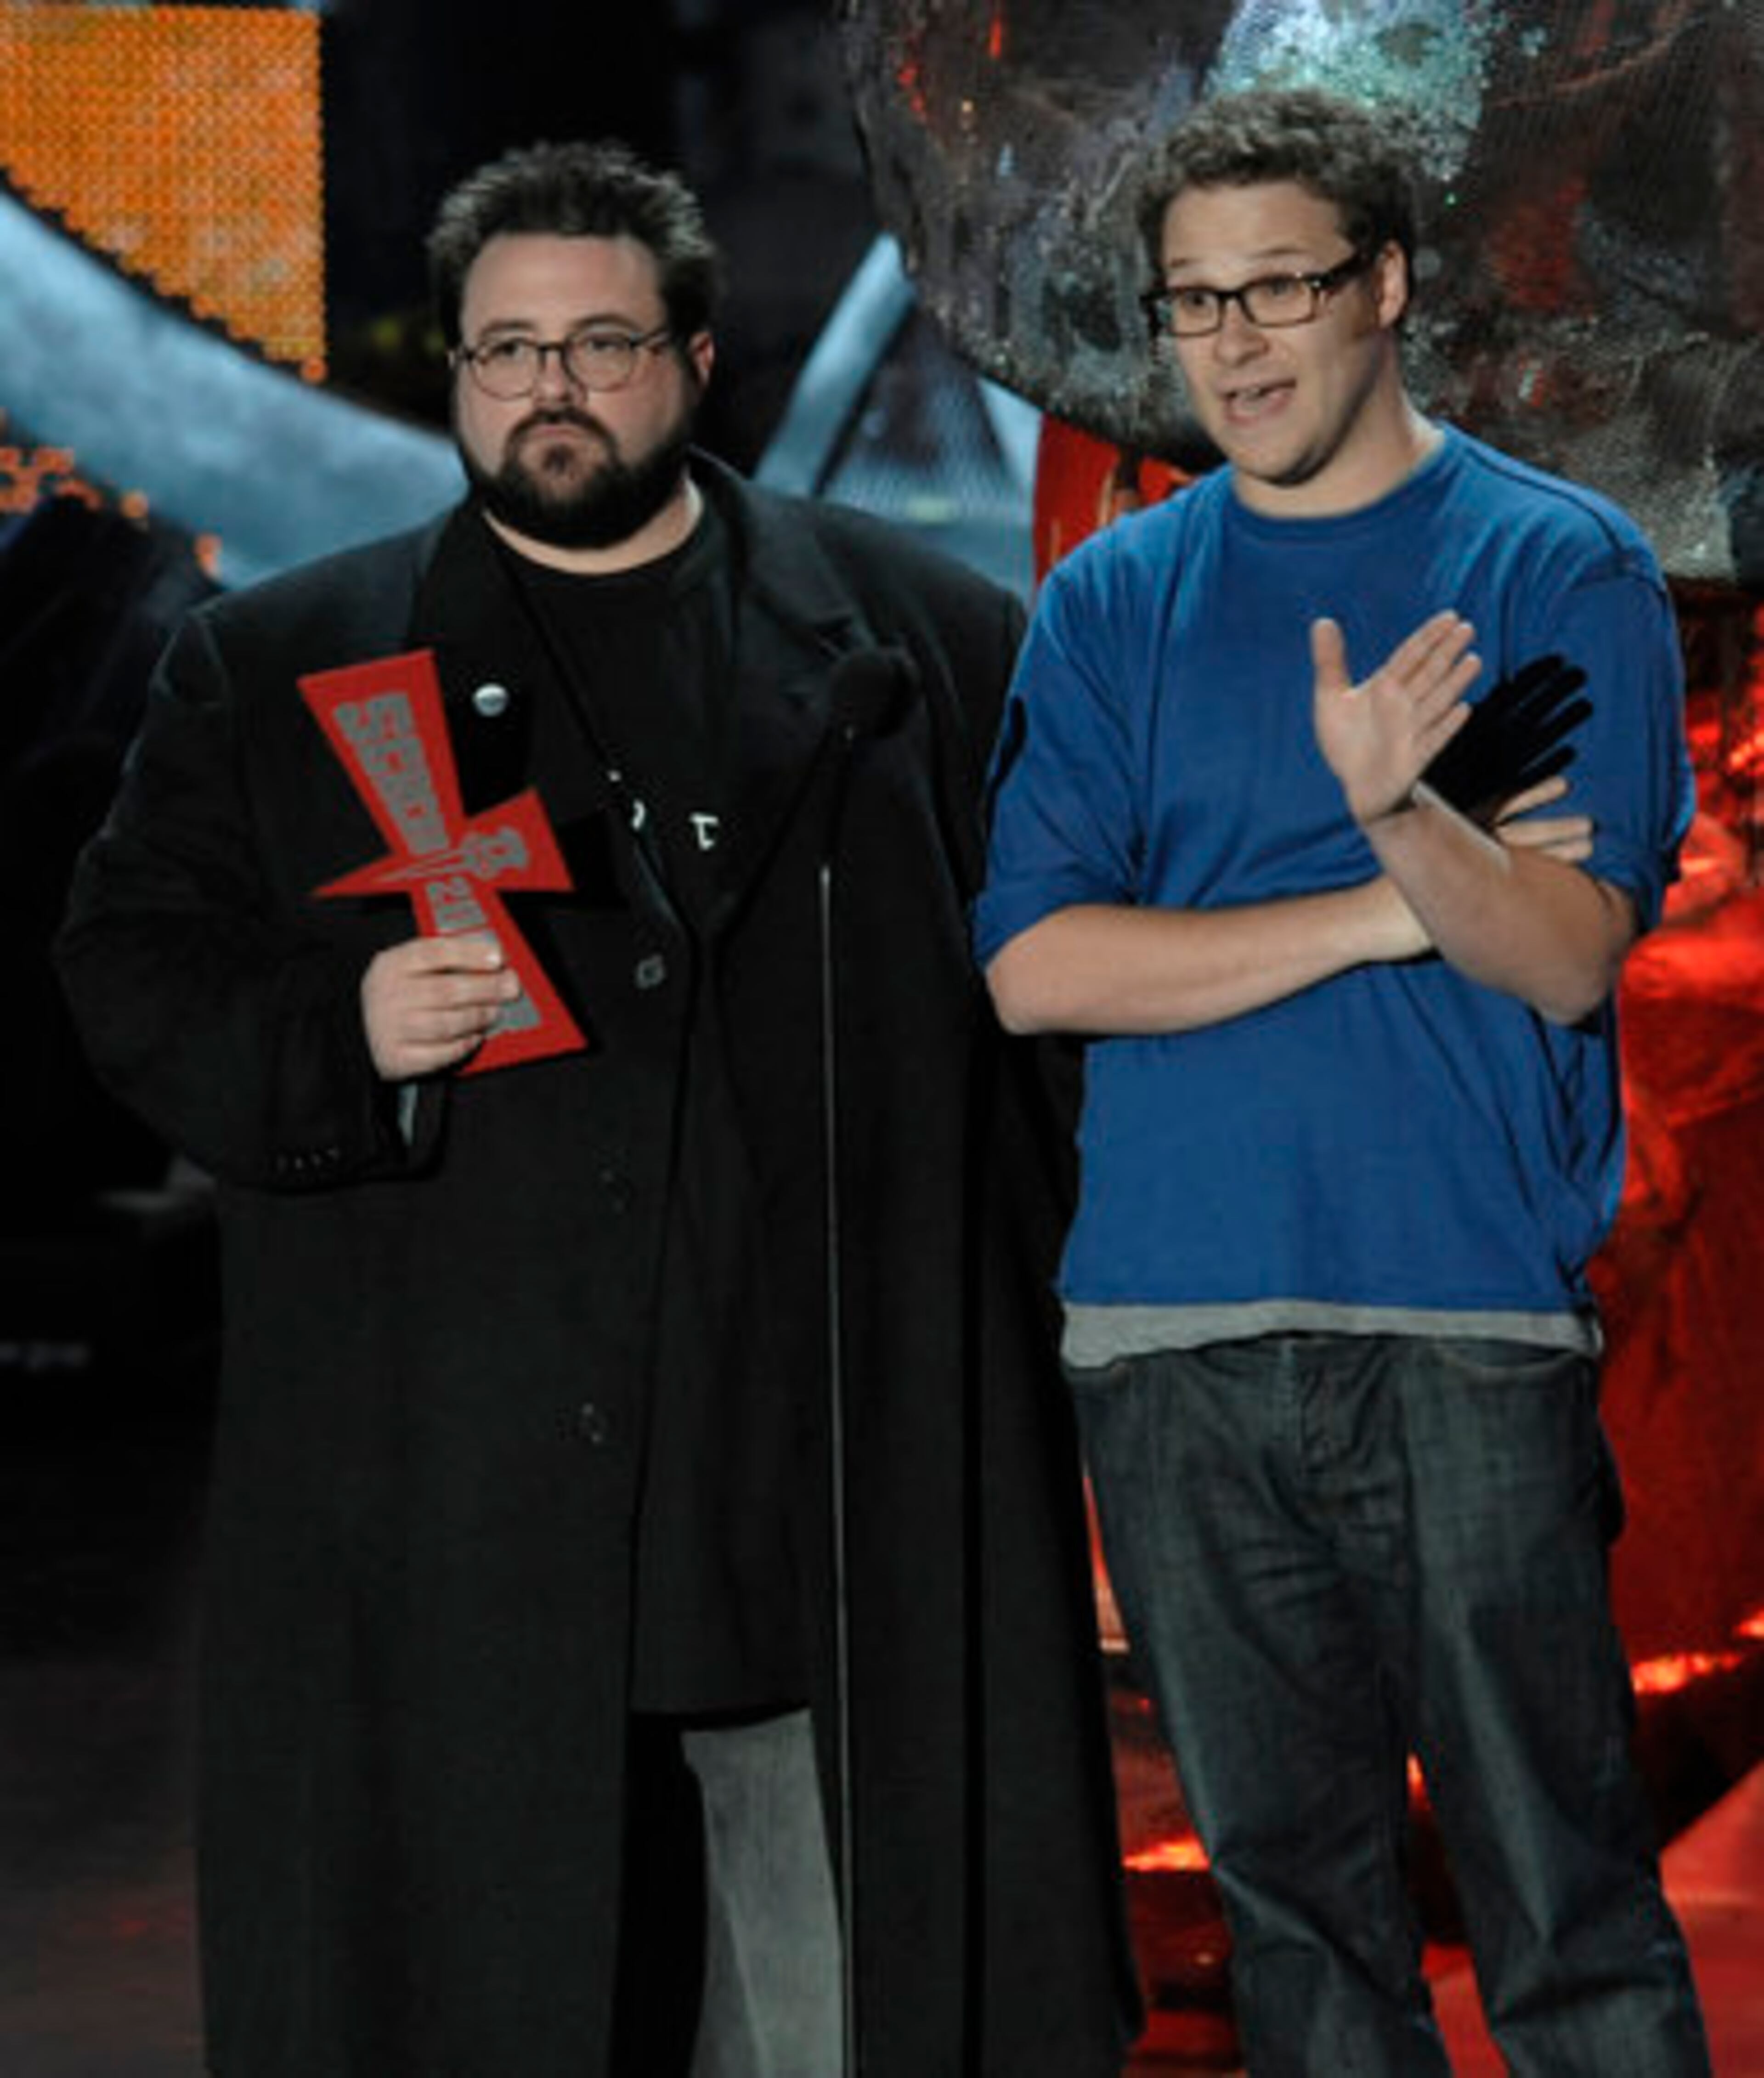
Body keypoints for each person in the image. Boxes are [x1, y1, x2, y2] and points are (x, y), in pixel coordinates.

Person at [57, 140, 1138, 2078]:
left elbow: (1062, 1030)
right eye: (507, 351)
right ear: (457, 371)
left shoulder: (923, 652)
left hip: (824, 1471)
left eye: (602, 345)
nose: (551, 389)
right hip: (455, 1490)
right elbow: (134, 972)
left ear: (697, 358)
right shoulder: (293, 663)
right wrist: (348, 1024)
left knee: (843, 2010)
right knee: (486, 1990)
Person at [976, 86, 1712, 2078]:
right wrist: (1387, 899)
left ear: (1385, 288)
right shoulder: (1111, 600)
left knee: (1566, 1913)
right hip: (1173, 1336)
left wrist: (1400, 823)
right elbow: (1043, 966)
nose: (1233, 346)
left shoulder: (1556, 571)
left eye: (1279, 289)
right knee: (1299, 1936)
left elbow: (1566, 948)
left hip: (1463, 1322)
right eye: (1192, 304)